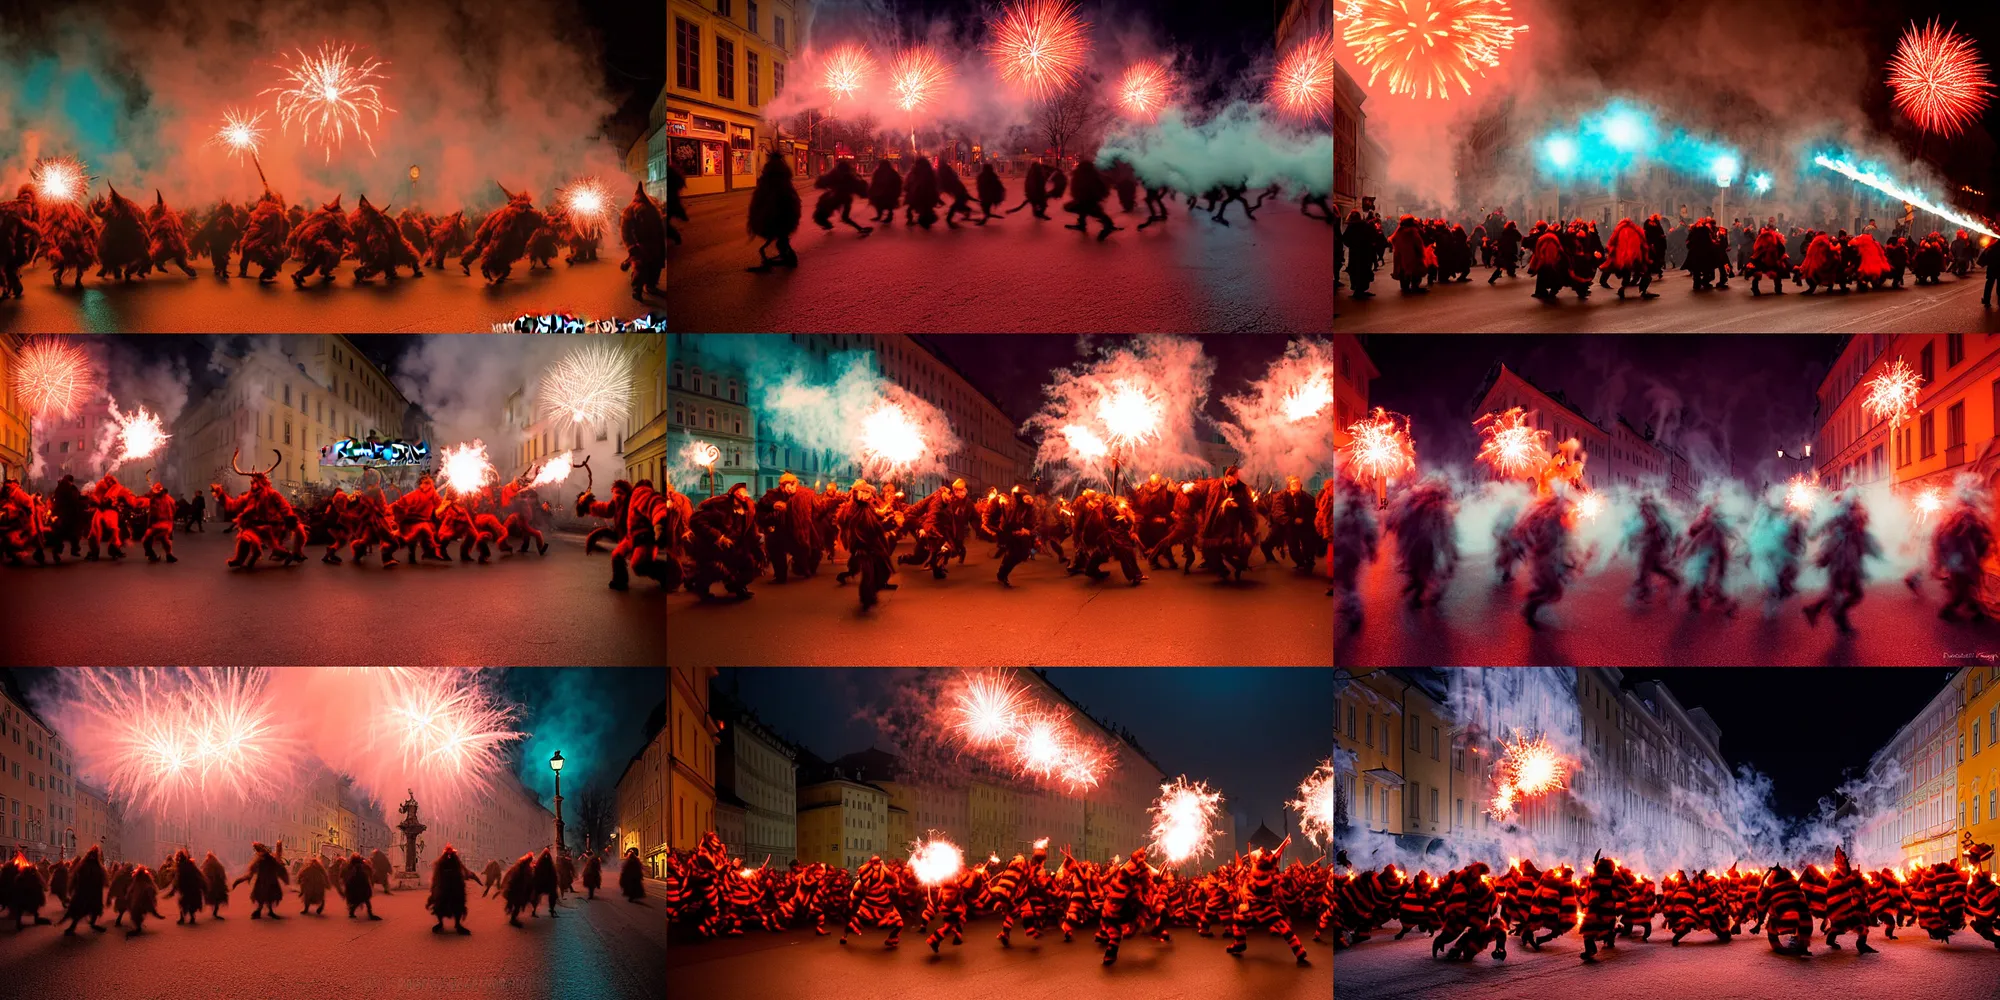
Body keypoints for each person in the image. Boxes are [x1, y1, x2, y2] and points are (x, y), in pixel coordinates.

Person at [745, 154, 802, 272]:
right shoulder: (785, 181)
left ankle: (786, 259)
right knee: (782, 238)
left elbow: (764, 201)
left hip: (774, 216)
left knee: (780, 238)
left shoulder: (769, 182)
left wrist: (758, 218)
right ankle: (788, 258)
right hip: (786, 216)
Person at [810, 159, 874, 236]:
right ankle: (858, 228)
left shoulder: (838, 175)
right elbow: (859, 187)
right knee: (827, 214)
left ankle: (827, 224)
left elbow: (821, 182)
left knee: (823, 213)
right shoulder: (844, 176)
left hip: (838, 198)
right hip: (839, 198)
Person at [427, 846, 481, 934]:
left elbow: (465, 871)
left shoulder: (453, 863)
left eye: (450, 854)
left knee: (456, 905)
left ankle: (456, 924)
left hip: (454, 888)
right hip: (445, 888)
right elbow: (436, 878)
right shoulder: (442, 864)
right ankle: (442, 923)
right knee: (442, 904)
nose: (449, 856)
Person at [232, 842, 291, 919]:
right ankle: (261, 911)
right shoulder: (260, 861)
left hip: (269, 881)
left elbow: (278, 866)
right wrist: (240, 880)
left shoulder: (269, 859)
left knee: (268, 896)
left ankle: (266, 911)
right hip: (263, 882)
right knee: (263, 896)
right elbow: (251, 873)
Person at [1062, 162, 1120, 240]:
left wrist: (1094, 196)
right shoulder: (1086, 175)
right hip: (1084, 199)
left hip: (1088, 199)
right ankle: (1082, 224)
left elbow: (1098, 187)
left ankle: (1108, 226)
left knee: (1092, 211)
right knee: (1084, 210)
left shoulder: (1089, 176)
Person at [122, 864, 165, 937]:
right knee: (137, 913)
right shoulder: (142, 884)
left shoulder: (143, 885)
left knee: (137, 913)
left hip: (139, 905)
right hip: (138, 905)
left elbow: (130, 893)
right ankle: (138, 926)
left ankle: (138, 926)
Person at [342, 851, 380, 920]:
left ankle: (352, 911)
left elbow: (345, 874)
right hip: (361, 884)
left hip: (357, 885)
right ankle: (369, 914)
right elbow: (369, 870)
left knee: (361, 899)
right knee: (364, 899)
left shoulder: (351, 865)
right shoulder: (359, 865)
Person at [531, 848, 561, 918]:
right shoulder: (547, 865)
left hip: (544, 884)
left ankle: (536, 910)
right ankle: (550, 910)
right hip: (544, 884)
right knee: (549, 895)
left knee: (549, 896)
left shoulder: (541, 865)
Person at [202, 850, 231, 918]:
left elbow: (204, 874)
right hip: (216, 885)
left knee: (214, 898)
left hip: (213, 885)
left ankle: (214, 911)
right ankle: (215, 911)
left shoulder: (207, 864)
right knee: (217, 899)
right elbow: (222, 874)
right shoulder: (217, 864)